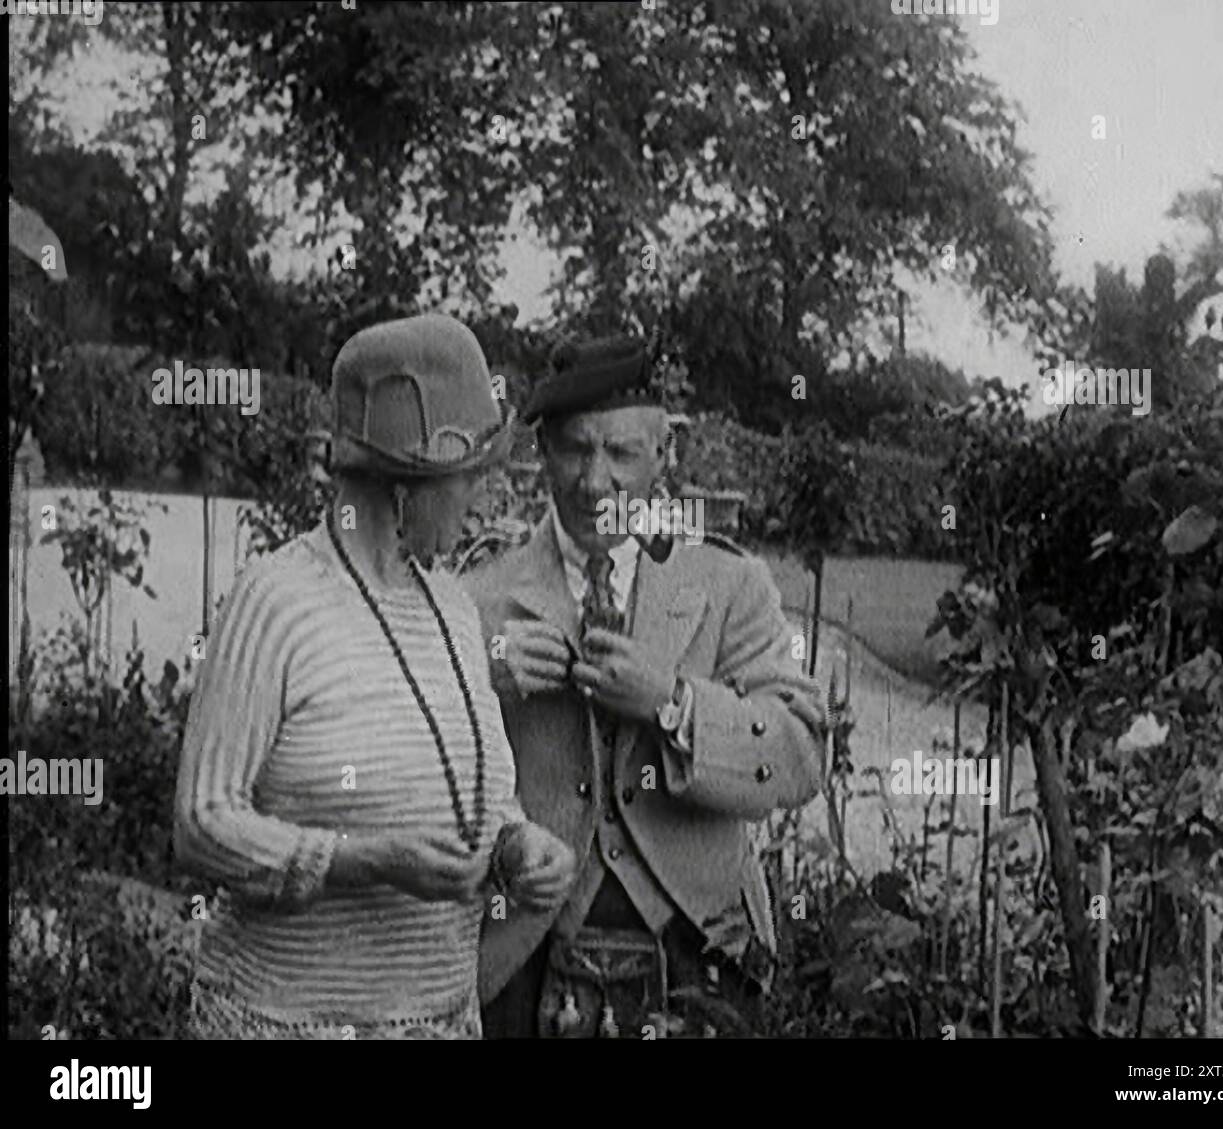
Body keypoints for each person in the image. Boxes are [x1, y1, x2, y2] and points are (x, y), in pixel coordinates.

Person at [174, 312, 575, 1040]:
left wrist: (518, 845)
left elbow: (477, 792)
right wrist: (362, 862)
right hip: (289, 1021)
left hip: (438, 1020)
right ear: (404, 484)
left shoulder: (452, 608)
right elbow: (202, 824)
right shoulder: (276, 602)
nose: (486, 499)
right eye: (472, 477)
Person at [465, 333, 826, 1038]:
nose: (594, 481)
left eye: (622, 453)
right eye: (573, 448)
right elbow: (412, 761)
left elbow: (802, 755)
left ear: (665, 457)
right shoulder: (478, 596)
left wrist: (673, 702)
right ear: (539, 451)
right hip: (520, 953)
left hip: (701, 949)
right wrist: (480, 678)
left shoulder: (728, 586)